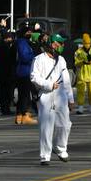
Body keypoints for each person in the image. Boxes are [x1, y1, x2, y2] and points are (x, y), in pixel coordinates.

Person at [30, 33, 74, 164]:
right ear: (53, 44)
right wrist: (49, 85)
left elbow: (66, 81)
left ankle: (60, 148)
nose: (62, 46)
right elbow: (34, 77)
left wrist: (71, 99)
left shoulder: (61, 60)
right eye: (60, 43)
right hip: (45, 96)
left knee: (65, 124)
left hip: (61, 96)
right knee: (46, 126)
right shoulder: (38, 59)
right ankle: (45, 155)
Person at [14, 25, 37, 125]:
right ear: (25, 33)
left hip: (21, 71)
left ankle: (19, 116)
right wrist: (34, 56)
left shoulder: (22, 42)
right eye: (29, 32)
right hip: (25, 71)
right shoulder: (22, 43)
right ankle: (25, 115)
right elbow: (24, 57)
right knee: (25, 95)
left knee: (22, 94)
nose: (31, 34)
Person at [74, 34, 91, 114]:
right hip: (82, 74)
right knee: (80, 91)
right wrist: (82, 62)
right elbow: (76, 63)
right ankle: (80, 107)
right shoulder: (78, 52)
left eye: (89, 43)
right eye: (86, 43)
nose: (87, 45)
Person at [0, 29, 16, 116]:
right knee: (6, 92)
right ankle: (6, 109)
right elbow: (10, 60)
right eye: (9, 38)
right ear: (6, 38)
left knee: (2, 92)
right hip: (6, 72)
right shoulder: (6, 47)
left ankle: (4, 109)